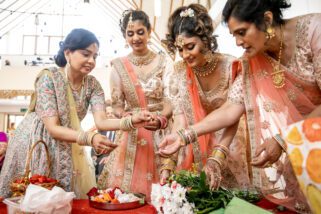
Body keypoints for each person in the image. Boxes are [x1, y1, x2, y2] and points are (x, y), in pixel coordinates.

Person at [159, 0, 321, 211]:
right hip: (302, 148)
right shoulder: (251, 60)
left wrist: (282, 139)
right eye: (234, 34)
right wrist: (182, 136)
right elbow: (231, 108)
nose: (237, 42)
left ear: (267, 19)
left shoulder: (313, 31)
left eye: (242, 32)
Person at [0, 28, 152, 200]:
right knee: (34, 197)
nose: (91, 61)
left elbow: (101, 121)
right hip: (37, 141)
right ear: (68, 53)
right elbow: (52, 128)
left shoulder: (92, 85)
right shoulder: (49, 78)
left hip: (68, 139)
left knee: (61, 199)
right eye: (85, 54)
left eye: (94, 56)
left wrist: (131, 121)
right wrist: (90, 138)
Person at [161, 4, 250, 190]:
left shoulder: (231, 66)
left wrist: (218, 155)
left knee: (234, 199)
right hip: (194, 141)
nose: (185, 55)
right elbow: (180, 118)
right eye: (180, 50)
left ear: (206, 39)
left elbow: (233, 117)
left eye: (190, 46)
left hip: (230, 140)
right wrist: (169, 161)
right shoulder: (180, 71)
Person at [97, 9, 174, 201]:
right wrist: (130, 118)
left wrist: (161, 119)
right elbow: (116, 107)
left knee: (167, 194)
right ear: (125, 36)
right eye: (130, 34)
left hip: (161, 131)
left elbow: (171, 100)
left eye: (140, 32)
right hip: (132, 133)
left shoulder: (164, 62)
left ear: (149, 31)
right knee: (127, 196)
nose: (136, 38)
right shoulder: (118, 66)